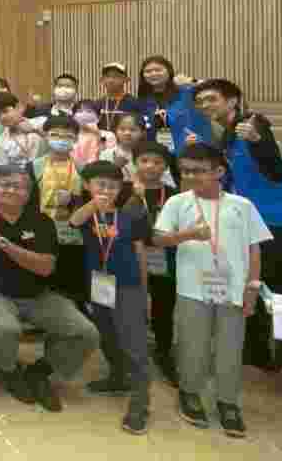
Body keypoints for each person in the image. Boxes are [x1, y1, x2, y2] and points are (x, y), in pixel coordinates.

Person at [153, 143, 272, 438]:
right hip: (192, 288)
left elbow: (254, 249)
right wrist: (188, 234)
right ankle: (190, 392)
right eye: (185, 171)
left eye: (199, 171)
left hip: (233, 289)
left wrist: (252, 286)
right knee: (191, 344)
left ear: (219, 171)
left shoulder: (241, 205)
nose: (190, 176)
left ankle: (228, 401)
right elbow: (158, 239)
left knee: (230, 346)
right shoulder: (177, 202)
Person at [192, 79, 282, 372]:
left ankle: (278, 353)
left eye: (212, 99)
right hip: (252, 221)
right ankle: (259, 350)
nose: (205, 105)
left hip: (279, 221)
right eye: (201, 101)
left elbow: (276, 168)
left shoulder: (252, 123)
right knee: (252, 283)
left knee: (274, 288)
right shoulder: (226, 138)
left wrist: (258, 140)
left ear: (232, 101)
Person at [0, 165, 98, 412]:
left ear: (28, 193)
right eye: (4, 184)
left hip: (37, 293)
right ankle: (10, 372)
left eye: (18, 186)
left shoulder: (41, 222)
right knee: (4, 329)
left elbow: (45, 268)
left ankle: (39, 372)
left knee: (86, 333)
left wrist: (3, 244)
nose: (10, 190)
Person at [67, 162, 150, 434]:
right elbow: (74, 221)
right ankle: (117, 377)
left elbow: (140, 252)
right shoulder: (86, 214)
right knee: (107, 333)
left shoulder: (130, 215)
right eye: (100, 185)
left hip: (128, 285)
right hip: (99, 285)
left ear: (121, 189)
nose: (107, 190)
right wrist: (95, 204)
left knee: (134, 343)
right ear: (87, 186)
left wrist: (145, 290)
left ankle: (140, 402)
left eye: (113, 186)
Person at [124, 141, 180, 385]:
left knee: (163, 306)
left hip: (163, 258)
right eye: (144, 161)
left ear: (165, 166)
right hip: (130, 256)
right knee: (130, 304)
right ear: (135, 163)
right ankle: (128, 352)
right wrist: (134, 198)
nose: (150, 166)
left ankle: (163, 350)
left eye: (157, 162)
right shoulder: (124, 190)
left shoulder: (173, 194)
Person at [31, 114, 86, 307]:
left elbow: (89, 200)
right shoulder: (33, 167)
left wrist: (73, 200)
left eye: (67, 136)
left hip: (73, 233)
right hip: (42, 232)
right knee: (44, 284)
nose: (61, 140)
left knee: (71, 282)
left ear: (76, 139)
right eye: (55, 135)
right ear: (45, 136)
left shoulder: (82, 169)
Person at [137, 55, 210, 155]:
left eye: (158, 70)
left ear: (169, 71)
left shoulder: (187, 91)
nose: (153, 74)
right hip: (158, 154)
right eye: (148, 71)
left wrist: (192, 81)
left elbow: (213, 87)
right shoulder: (143, 100)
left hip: (190, 149)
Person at [0, 94, 45, 168]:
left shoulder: (42, 122)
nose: (2, 117)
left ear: (19, 107)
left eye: (5, 111)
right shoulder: (0, 142)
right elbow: (4, 170)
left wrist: (35, 130)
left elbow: (57, 144)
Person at [96, 63, 144, 132]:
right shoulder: (97, 104)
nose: (111, 80)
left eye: (116, 76)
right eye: (107, 76)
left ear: (126, 79)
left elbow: (139, 130)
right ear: (102, 80)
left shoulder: (135, 103)